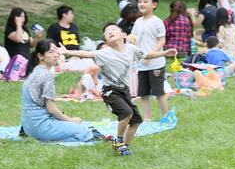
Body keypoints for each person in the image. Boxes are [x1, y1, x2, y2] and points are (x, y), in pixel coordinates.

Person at [57, 23, 177, 156]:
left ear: (124, 35)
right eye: (107, 33)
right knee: (126, 113)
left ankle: (125, 145)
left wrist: (164, 53)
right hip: (110, 91)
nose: (110, 32)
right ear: (106, 40)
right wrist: (67, 52)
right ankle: (118, 141)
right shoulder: (104, 53)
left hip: (124, 91)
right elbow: (86, 53)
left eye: (113, 30)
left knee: (136, 121)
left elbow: (146, 55)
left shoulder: (131, 49)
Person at [21, 39, 97, 142]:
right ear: (40, 56)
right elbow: (51, 109)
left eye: (56, 51)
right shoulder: (46, 75)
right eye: (51, 52)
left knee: (73, 125)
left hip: (28, 127)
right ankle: (53, 141)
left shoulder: (35, 71)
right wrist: (71, 121)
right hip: (40, 127)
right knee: (84, 132)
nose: (56, 55)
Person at [133, 0, 169, 121]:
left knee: (159, 92)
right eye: (140, 1)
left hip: (155, 64)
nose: (141, 4)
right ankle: (147, 119)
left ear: (154, 4)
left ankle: (166, 117)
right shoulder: (137, 22)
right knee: (143, 94)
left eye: (145, 1)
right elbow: (134, 40)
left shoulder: (157, 22)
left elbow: (162, 41)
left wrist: (149, 55)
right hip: (141, 64)